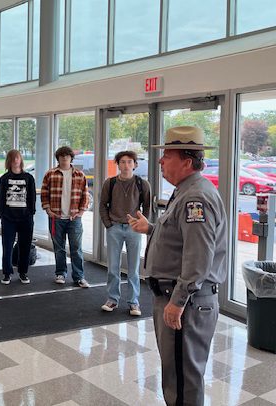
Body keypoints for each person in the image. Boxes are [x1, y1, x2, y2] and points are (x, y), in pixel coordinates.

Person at [128, 126, 227, 406]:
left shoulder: (196, 197)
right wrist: (151, 229)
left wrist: (179, 300)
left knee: (183, 380)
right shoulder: (186, 190)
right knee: (175, 375)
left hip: (187, 302)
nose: (160, 161)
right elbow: (181, 237)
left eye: (166, 155)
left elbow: (198, 256)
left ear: (186, 161)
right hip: (178, 297)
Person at [99, 151, 151, 316]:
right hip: (114, 228)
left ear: (135, 164)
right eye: (122, 162)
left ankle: (134, 302)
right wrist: (108, 225)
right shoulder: (110, 183)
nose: (126, 165)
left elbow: (148, 207)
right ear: (118, 164)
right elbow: (102, 205)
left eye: (129, 162)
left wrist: (142, 225)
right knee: (113, 267)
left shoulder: (143, 184)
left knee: (134, 269)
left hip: (134, 229)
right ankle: (112, 299)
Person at [41, 146, 91, 288]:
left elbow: (85, 196)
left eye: (67, 156)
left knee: (76, 248)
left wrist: (80, 212)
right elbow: (44, 194)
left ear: (71, 158)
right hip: (56, 217)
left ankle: (79, 277)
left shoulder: (80, 175)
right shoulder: (50, 174)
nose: (64, 158)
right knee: (59, 248)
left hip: (74, 218)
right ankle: (60, 273)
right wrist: (48, 210)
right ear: (58, 158)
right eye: (61, 156)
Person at [0, 149, 36, 285]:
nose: (15, 160)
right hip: (8, 218)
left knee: (24, 246)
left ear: (21, 160)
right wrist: (1, 213)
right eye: (13, 158)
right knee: (7, 246)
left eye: (18, 158)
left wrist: (31, 213)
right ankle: (7, 273)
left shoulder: (28, 178)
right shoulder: (4, 178)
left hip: (25, 218)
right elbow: (0, 197)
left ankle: (23, 272)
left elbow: (31, 198)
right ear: (9, 161)